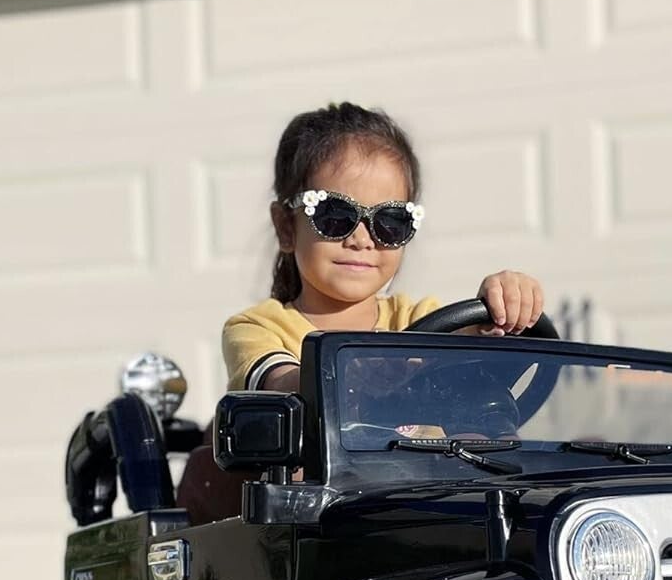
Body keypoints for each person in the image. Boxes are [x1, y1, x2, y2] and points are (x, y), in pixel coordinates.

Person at [221, 101, 544, 394]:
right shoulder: (259, 328)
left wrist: (504, 307)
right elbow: (281, 381)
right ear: (286, 226)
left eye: (390, 221)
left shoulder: (419, 319)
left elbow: (477, 350)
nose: (362, 239)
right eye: (335, 215)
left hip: (421, 462)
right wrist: (351, 376)